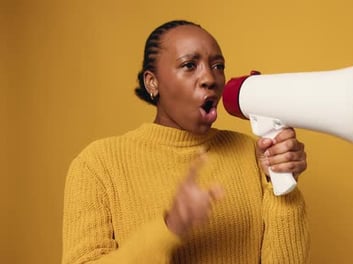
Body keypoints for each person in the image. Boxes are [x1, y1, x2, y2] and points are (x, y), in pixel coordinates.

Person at [62, 20, 310, 264]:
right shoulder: (97, 165)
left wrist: (282, 185)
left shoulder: (252, 153)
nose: (210, 78)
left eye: (218, 66)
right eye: (190, 65)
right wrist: (170, 228)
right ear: (152, 82)